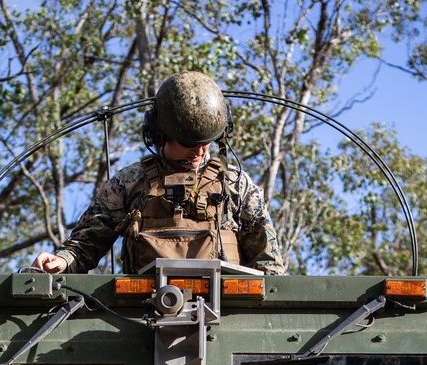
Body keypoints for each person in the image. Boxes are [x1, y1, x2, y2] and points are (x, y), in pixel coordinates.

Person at [31, 72, 285, 276]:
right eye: (187, 143)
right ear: (160, 133)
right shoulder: (130, 183)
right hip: (141, 316)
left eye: (206, 142)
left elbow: (268, 265)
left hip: (225, 319)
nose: (198, 151)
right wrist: (62, 260)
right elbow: (86, 244)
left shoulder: (234, 184)